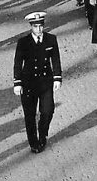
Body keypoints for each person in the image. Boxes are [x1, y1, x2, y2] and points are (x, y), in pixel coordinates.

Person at [13, 12, 62, 153]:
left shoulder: (51, 39)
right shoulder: (23, 42)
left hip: (45, 82)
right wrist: (17, 82)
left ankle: (43, 132)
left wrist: (57, 77)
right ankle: (34, 142)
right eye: (36, 27)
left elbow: (56, 59)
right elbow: (17, 63)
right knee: (30, 115)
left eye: (41, 26)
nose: (39, 30)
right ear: (31, 27)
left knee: (48, 110)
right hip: (28, 83)